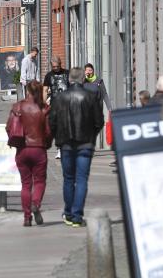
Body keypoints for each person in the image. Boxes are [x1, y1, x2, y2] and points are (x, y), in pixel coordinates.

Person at [49, 67, 104, 228]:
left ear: (69, 80)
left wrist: (57, 136)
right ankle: (77, 215)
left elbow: (52, 121)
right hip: (85, 143)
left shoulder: (59, 98)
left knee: (68, 179)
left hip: (66, 143)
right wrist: (92, 134)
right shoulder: (91, 96)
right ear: (82, 79)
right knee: (81, 179)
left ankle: (68, 212)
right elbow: (99, 121)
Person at [9, 81, 50, 226]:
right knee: (39, 181)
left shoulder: (17, 106)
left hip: (22, 149)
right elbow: (48, 131)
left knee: (26, 184)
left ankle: (27, 217)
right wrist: (47, 144)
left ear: (27, 90)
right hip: (38, 148)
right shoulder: (44, 108)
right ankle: (36, 204)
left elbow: (9, 128)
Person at [43, 56, 69, 159]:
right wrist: (43, 103)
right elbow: (45, 90)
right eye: (54, 67)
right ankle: (59, 149)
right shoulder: (49, 76)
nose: (56, 68)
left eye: (57, 66)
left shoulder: (67, 73)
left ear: (60, 64)